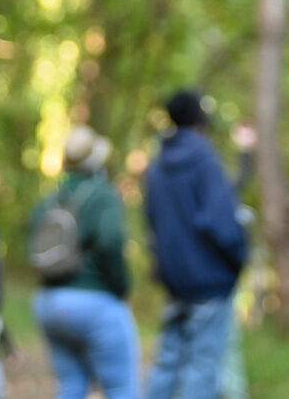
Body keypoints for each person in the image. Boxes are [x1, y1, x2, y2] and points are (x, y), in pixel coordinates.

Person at [143, 90, 247, 399]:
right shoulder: (204, 159)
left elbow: (152, 223)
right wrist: (237, 261)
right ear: (201, 120)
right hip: (210, 281)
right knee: (202, 366)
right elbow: (223, 225)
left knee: (167, 362)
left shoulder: (157, 165)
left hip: (175, 281)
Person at [29, 124, 139, 399]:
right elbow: (111, 241)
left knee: (71, 386)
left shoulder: (51, 198)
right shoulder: (102, 194)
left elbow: (32, 242)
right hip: (94, 303)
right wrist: (121, 287)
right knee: (121, 387)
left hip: (49, 303)